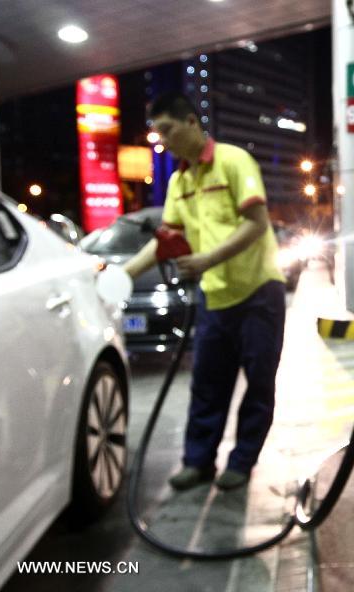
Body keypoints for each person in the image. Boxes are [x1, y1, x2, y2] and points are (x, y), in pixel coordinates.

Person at [124, 92, 286, 491]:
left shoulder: (233, 161)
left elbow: (257, 222)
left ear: (192, 123)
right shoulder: (179, 181)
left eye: (168, 130)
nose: (163, 140)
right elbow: (168, 238)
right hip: (214, 297)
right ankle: (198, 462)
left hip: (258, 291)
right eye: (157, 133)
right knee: (207, 384)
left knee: (259, 384)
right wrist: (122, 274)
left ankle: (243, 461)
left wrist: (207, 259)